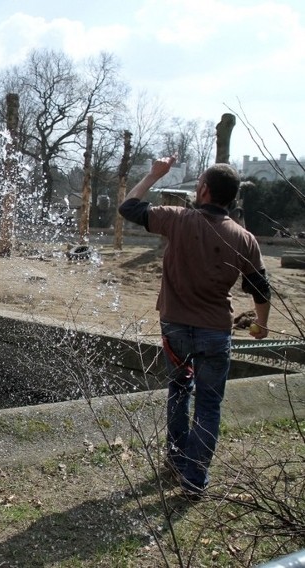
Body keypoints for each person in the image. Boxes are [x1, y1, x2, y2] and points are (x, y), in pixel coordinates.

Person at [118, 156, 271, 499]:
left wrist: (155, 174)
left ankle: (176, 461)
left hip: (175, 329)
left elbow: (128, 207)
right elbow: (260, 288)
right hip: (215, 334)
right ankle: (193, 480)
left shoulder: (177, 219)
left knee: (179, 391)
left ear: (202, 190)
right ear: (230, 198)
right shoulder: (245, 239)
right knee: (209, 406)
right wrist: (261, 324)